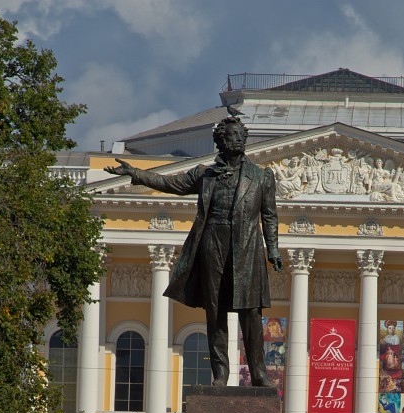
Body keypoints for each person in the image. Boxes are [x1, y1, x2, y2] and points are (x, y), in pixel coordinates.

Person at [105, 116, 283, 388]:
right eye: (233, 135)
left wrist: (273, 249)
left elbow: (269, 215)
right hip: (212, 245)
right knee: (215, 312)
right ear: (221, 141)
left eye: (241, 136)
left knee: (250, 312)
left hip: (247, 249)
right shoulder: (204, 174)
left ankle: (259, 374)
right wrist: (136, 173)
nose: (239, 140)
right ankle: (221, 374)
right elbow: (171, 184)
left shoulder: (261, 176)